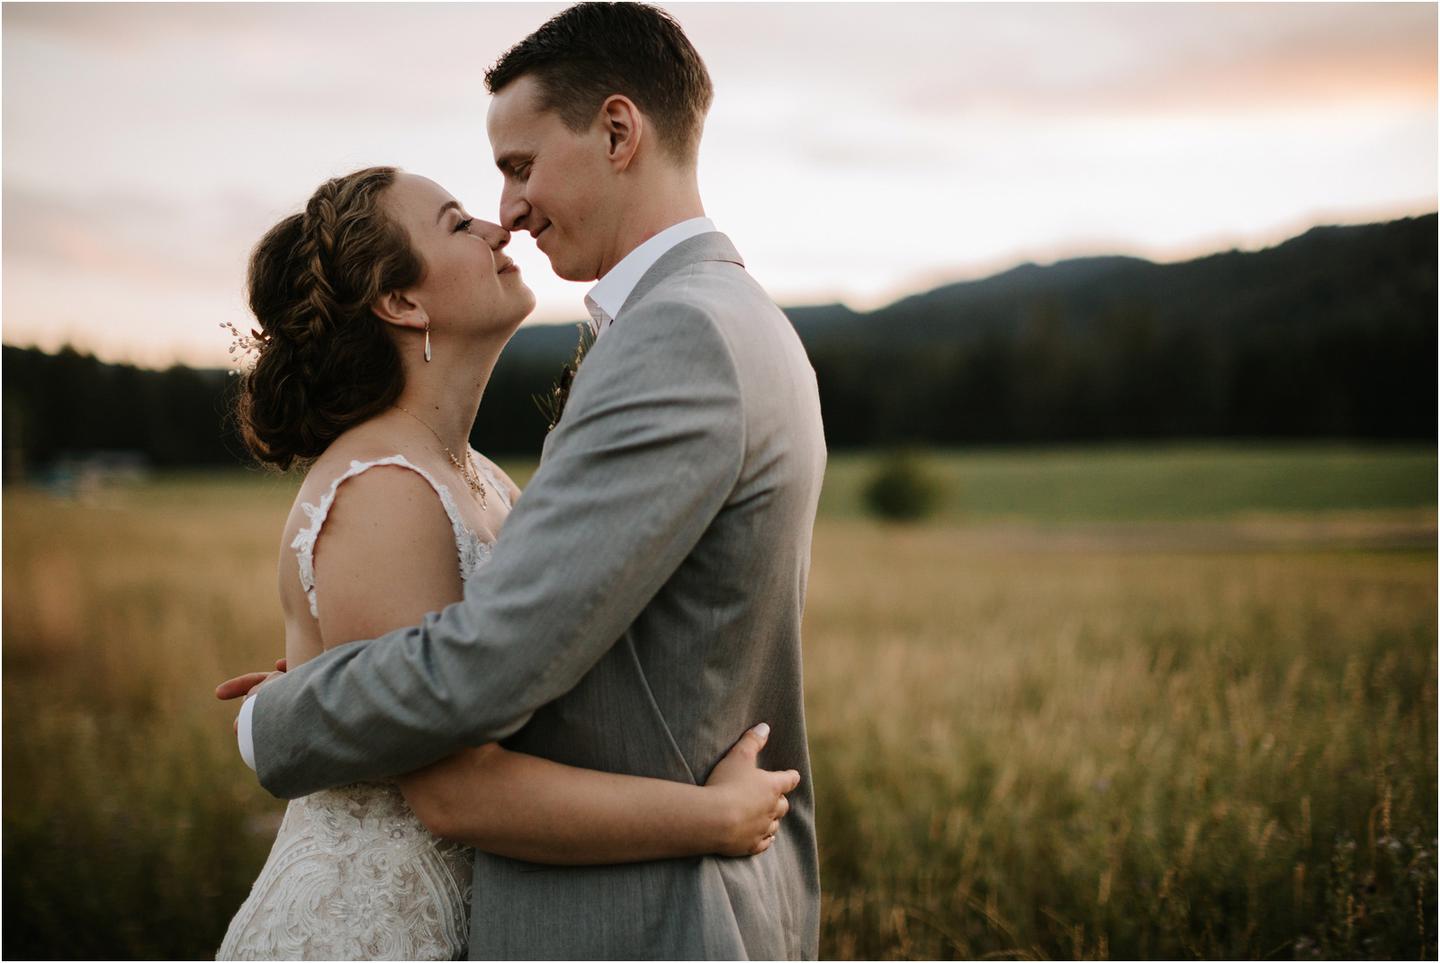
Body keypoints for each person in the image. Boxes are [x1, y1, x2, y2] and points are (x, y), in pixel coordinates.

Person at [227, 3, 826, 957]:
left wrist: (292, 711)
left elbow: (494, 657)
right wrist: (354, 674)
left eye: (518, 167)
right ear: (398, 299)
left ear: (619, 133)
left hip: (651, 919)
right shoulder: (731, 319)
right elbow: (507, 666)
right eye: (472, 207)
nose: (505, 214)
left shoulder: (676, 336)